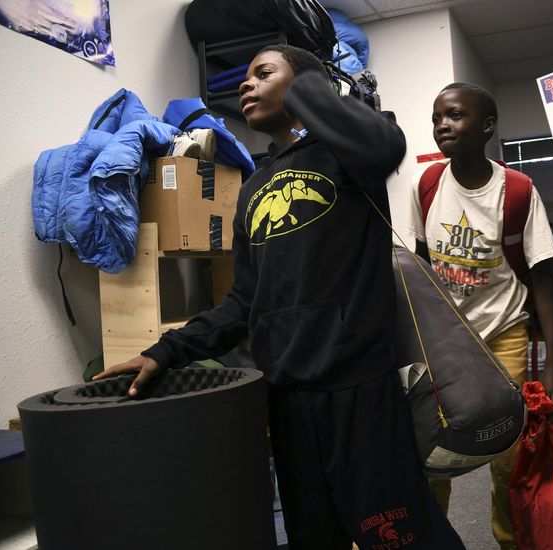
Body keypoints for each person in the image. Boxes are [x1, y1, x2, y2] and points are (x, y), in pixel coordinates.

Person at [95, 45, 464, 550]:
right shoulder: (253, 187)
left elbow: (386, 145)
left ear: (307, 88)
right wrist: (165, 351)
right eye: (245, 77)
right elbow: (245, 299)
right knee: (313, 536)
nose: (246, 85)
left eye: (263, 74)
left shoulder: (346, 153)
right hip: (287, 396)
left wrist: (311, 87)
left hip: (358, 387)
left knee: (400, 535)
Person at [408, 82, 553, 549]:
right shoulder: (425, 185)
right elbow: (417, 265)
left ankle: (510, 539)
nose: (443, 125)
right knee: (433, 451)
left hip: (503, 334)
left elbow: (543, 277)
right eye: (438, 117)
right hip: (443, 341)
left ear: (487, 127)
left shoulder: (517, 191)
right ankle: (431, 539)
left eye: (455, 116)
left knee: (508, 452)